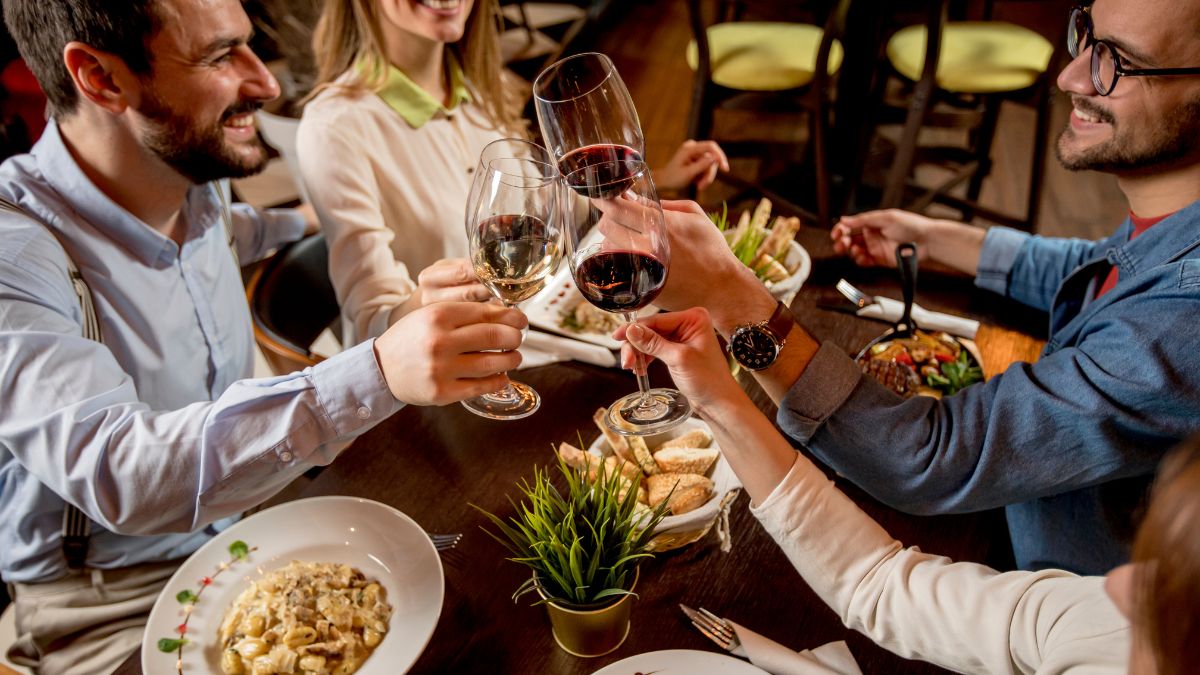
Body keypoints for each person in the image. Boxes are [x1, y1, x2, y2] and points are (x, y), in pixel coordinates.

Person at [0, 1, 525, 673]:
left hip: (246, 534)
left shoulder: (186, 179)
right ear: (101, 79)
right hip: (112, 609)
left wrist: (335, 210)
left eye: (250, 46)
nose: (266, 83)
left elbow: (241, 230)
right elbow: (121, 470)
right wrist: (378, 370)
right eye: (221, 56)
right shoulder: (18, 256)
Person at [648, 0, 1200, 576]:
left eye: (1118, 62)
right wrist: (935, 240)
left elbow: (932, 458)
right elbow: (1107, 270)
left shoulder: (1184, 317)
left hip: (1051, 610)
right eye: (1086, 36)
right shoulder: (1175, 228)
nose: (1070, 76)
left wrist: (735, 302)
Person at [613, 306, 1199, 674]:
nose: (1117, 581)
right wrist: (716, 396)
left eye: (1170, 591)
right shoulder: (1101, 622)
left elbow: (930, 456)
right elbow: (880, 584)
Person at [296, 0, 730, 345]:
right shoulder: (334, 128)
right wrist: (426, 301)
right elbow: (373, 325)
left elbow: (546, 217)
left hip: (536, 339)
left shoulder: (489, 85)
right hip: (451, 378)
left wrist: (659, 178)